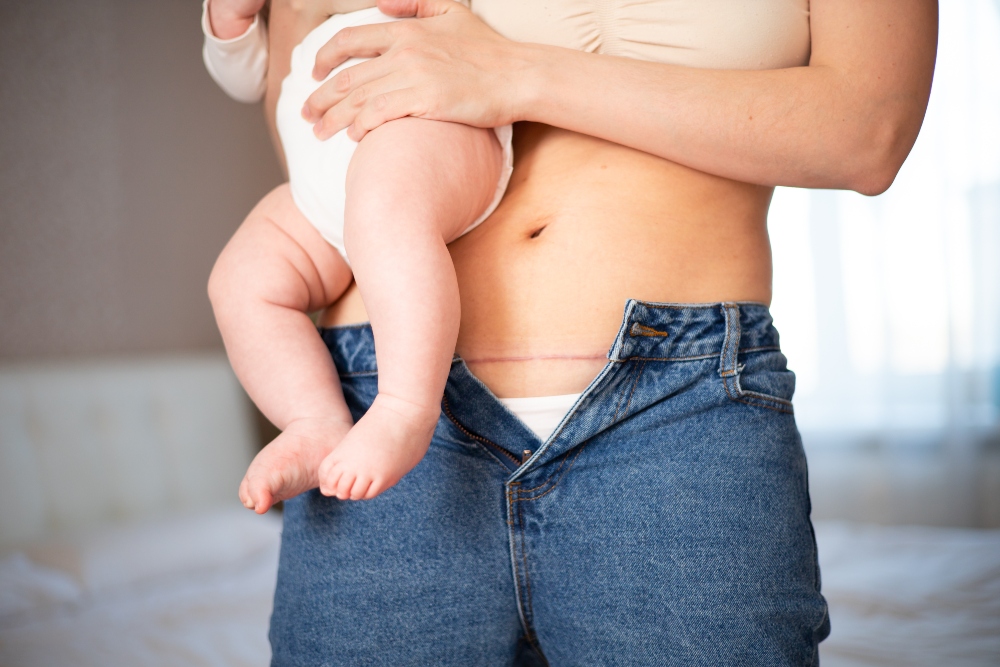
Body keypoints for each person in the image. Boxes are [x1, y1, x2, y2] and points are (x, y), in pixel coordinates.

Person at [211, 0, 938, 663]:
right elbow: (318, 123)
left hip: (674, 411)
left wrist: (521, 74)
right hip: (371, 408)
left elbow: (868, 129)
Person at [205, 0, 515, 505]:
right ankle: (313, 420)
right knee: (240, 280)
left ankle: (404, 408)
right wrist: (227, 22)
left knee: (385, 203)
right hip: (321, 167)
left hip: (426, 124)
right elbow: (242, 77)